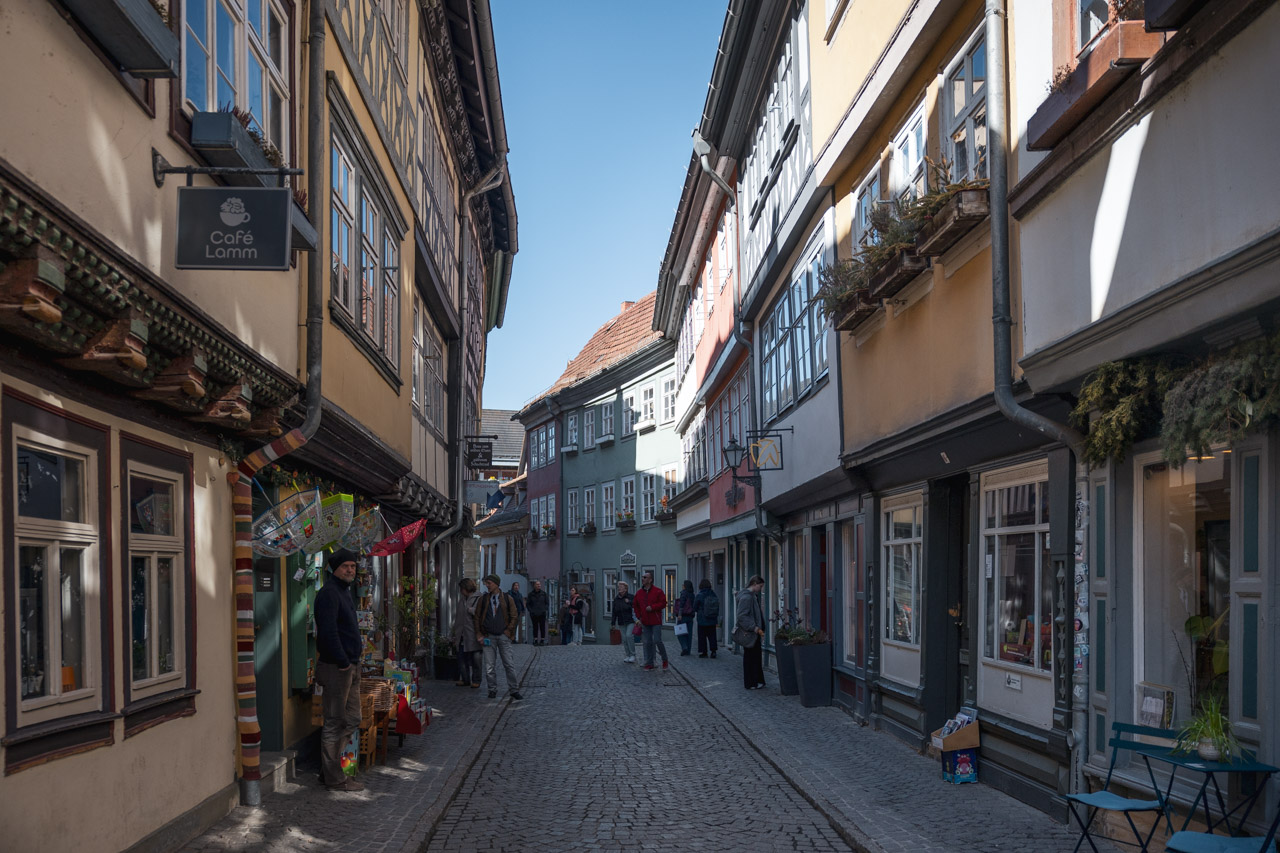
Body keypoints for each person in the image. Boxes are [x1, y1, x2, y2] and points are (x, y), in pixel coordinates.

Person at [314, 548, 365, 791]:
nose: (350, 570)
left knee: (353, 718)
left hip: (350, 666)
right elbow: (328, 632)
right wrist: (343, 661)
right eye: (346, 566)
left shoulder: (345, 592)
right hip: (337, 668)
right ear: (334, 568)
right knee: (334, 722)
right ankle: (334, 778)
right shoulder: (328, 593)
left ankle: (330, 769)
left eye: (353, 567)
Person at [473, 574, 523, 700]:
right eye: (486, 583)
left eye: (489, 583)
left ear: (496, 584)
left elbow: (514, 615)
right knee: (490, 666)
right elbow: (477, 617)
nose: (487, 585)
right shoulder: (483, 600)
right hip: (488, 636)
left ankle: (514, 689)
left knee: (509, 664)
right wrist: (479, 633)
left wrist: (509, 630)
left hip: (503, 636)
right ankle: (492, 690)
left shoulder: (507, 598)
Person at [632, 571, 669, 671]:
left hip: (655, 620)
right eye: (642, 577)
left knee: (657, 640)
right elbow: (635, 605)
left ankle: (665, 660)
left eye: (645, 577)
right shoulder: (639, 593)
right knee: (647, 642)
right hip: (645, 621)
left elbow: (663, 603)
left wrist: (652, 607)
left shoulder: (658, 591)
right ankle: (649, 663)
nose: (643, 579)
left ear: (650, 580)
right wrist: (639, 616)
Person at [735, 575, 767, 690]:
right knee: (751, 657)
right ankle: (752, 682)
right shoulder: (747, 597)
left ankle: (756, 681)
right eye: (760, 586)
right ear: (754, 584)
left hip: (755, 632)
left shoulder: (751, 596)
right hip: (751, 633)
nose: (761, 589)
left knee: (754, 657)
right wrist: (755, 628)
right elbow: (742, 616)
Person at [452, 578, 482, 688]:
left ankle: (476, 680)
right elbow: (458, 617)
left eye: (461, 589)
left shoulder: (479, 598)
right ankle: (465, 679)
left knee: (476, 660)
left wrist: (472, 610)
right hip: (461, 633)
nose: (460, 591)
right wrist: (455, 632)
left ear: (466, 588)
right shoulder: (462, 599)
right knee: (461, 658)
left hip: (474, 633)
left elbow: (481, 614)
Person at [694, 578, 720, 658]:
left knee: (702, 636)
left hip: (702, 619)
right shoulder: (713, 594)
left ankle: (704, 652)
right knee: (712, 636)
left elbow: (694, 607)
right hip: (712, 618)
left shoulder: (699, 595)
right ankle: (713, 651)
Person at [611, 580, 636, 663]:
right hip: (621, 621)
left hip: (630, 620)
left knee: (629, 636)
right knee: (624, 639)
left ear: (625, 589)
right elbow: (614, 612)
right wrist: (613, 623)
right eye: (619, 587)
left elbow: (636, 605)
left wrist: (629, 602)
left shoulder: (630, 597)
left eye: (621, 587)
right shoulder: (616, 599)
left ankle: (633, 655)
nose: (619, 588)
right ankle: (628, 655)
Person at [675, 579, 696, 656]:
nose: (682, 585)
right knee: (689, 634)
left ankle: (684, 647)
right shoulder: (692, 594)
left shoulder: (684, 593)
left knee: (680, 632)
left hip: (683, 616)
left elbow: (681, 605)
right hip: (690, 616)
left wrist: (679, 614)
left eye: (683, 584)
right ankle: (688, 650)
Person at [526, 580, 549, 645]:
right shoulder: (531, 594)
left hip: (542, 613)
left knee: (542, 626)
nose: (539, 586)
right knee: (535, 626)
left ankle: (542, 639)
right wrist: (531, 611)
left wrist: (545, 609)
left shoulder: (543, 594)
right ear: (534, 586)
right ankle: (535, 639)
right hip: (534, 613)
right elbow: (528, 604)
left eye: (539, 584)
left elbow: (547, 603)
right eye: (537, 584)